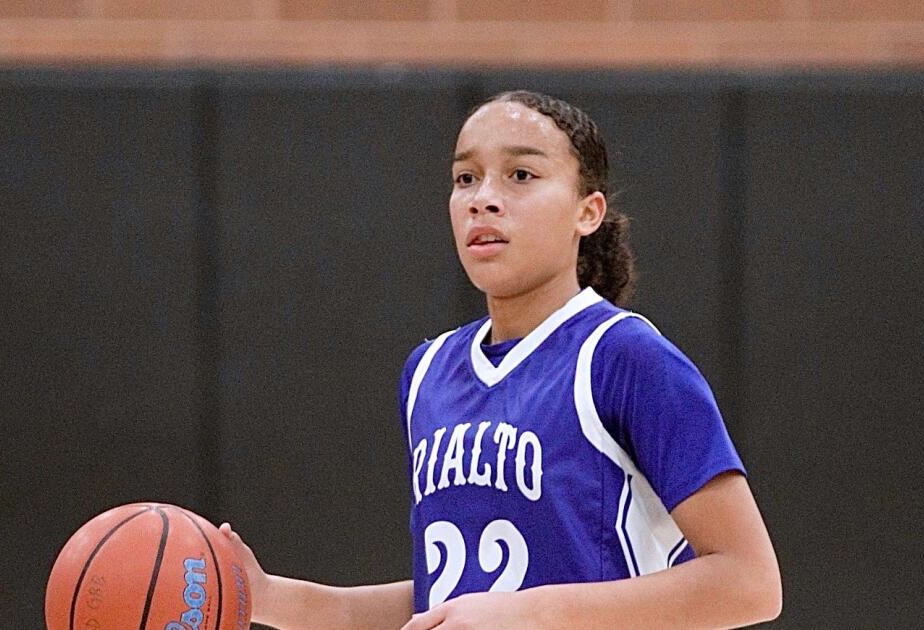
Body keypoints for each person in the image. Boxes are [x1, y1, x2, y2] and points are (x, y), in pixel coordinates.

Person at [220, 90, 781, 629]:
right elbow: (443, 603)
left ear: (587, 212)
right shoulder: (429, 371)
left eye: (521, 175)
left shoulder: (622, 356)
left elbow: (749, 581)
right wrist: (267, 597)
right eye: (466, 177)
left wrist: (527, 613)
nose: (482, 198)